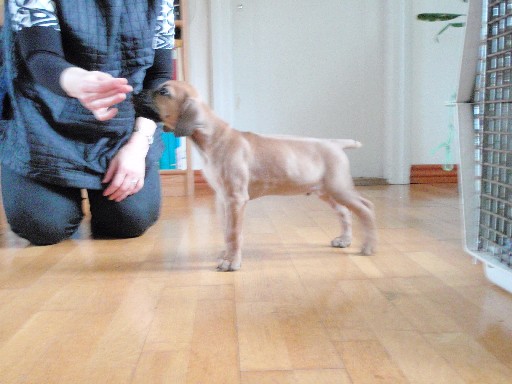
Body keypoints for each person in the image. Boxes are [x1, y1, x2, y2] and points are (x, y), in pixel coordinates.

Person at [0, 0, 174, 245]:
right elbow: (40, 55)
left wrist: (139, 144)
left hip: (122, 127)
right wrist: (80, 83)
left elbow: (160, 76)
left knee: (130, 220)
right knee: (42, 226)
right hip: (40, 121)